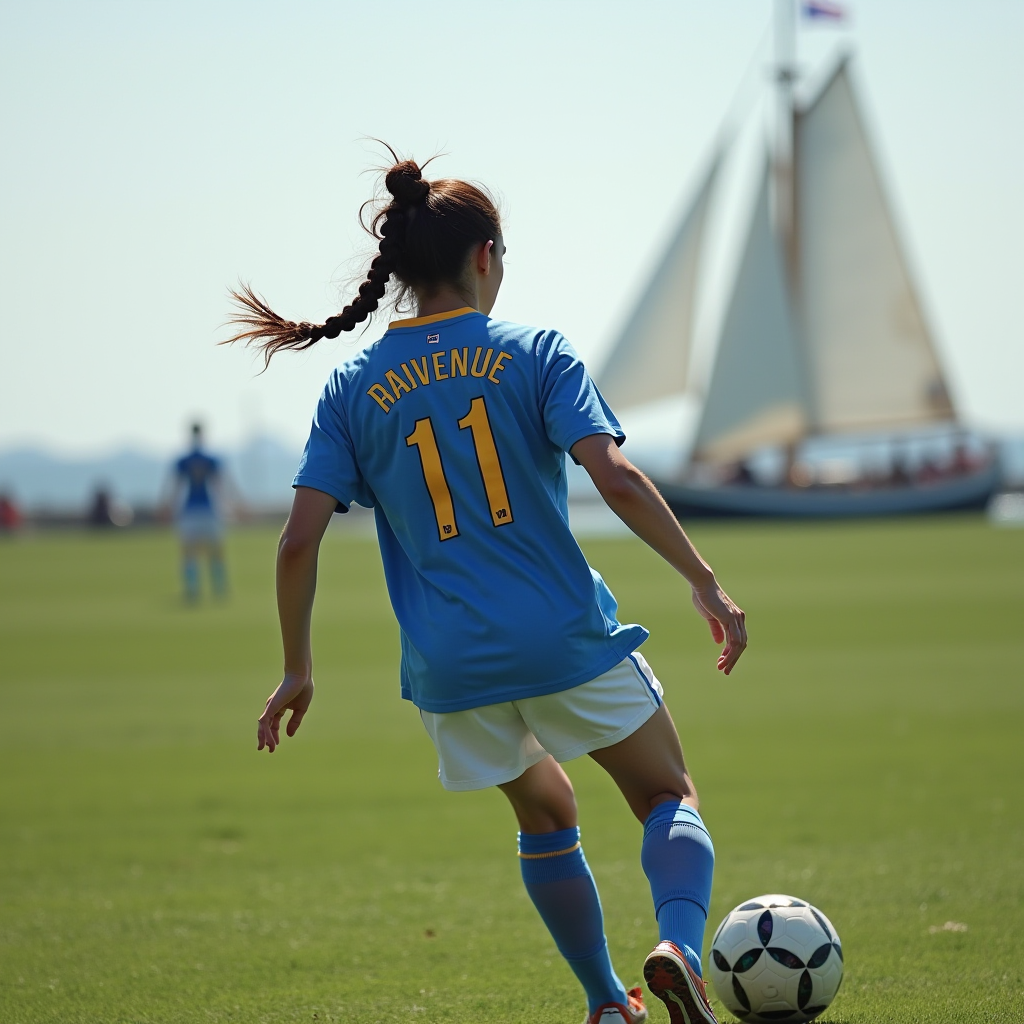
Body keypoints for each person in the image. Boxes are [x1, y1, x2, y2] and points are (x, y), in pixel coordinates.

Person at [227, 155, 747, 1024]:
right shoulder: (535, 353)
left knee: (547, 816)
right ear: (484, 255)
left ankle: (605, 1004)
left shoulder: (352, 389)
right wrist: (704, 582)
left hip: (451, 667)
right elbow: (614, 479)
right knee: (667, 796)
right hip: (562, 636)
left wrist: (296, 668)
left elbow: (297, 541)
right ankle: (679, 951)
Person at [168, 423, 228, 601]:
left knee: (191, 553)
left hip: (192, 510)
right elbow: (219, 486)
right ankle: (217, 589)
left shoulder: (185, 460)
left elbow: (176, 487)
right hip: (206, 509)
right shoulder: (209, 459)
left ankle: (194, 590)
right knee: (213, 552)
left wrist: (168, 506)